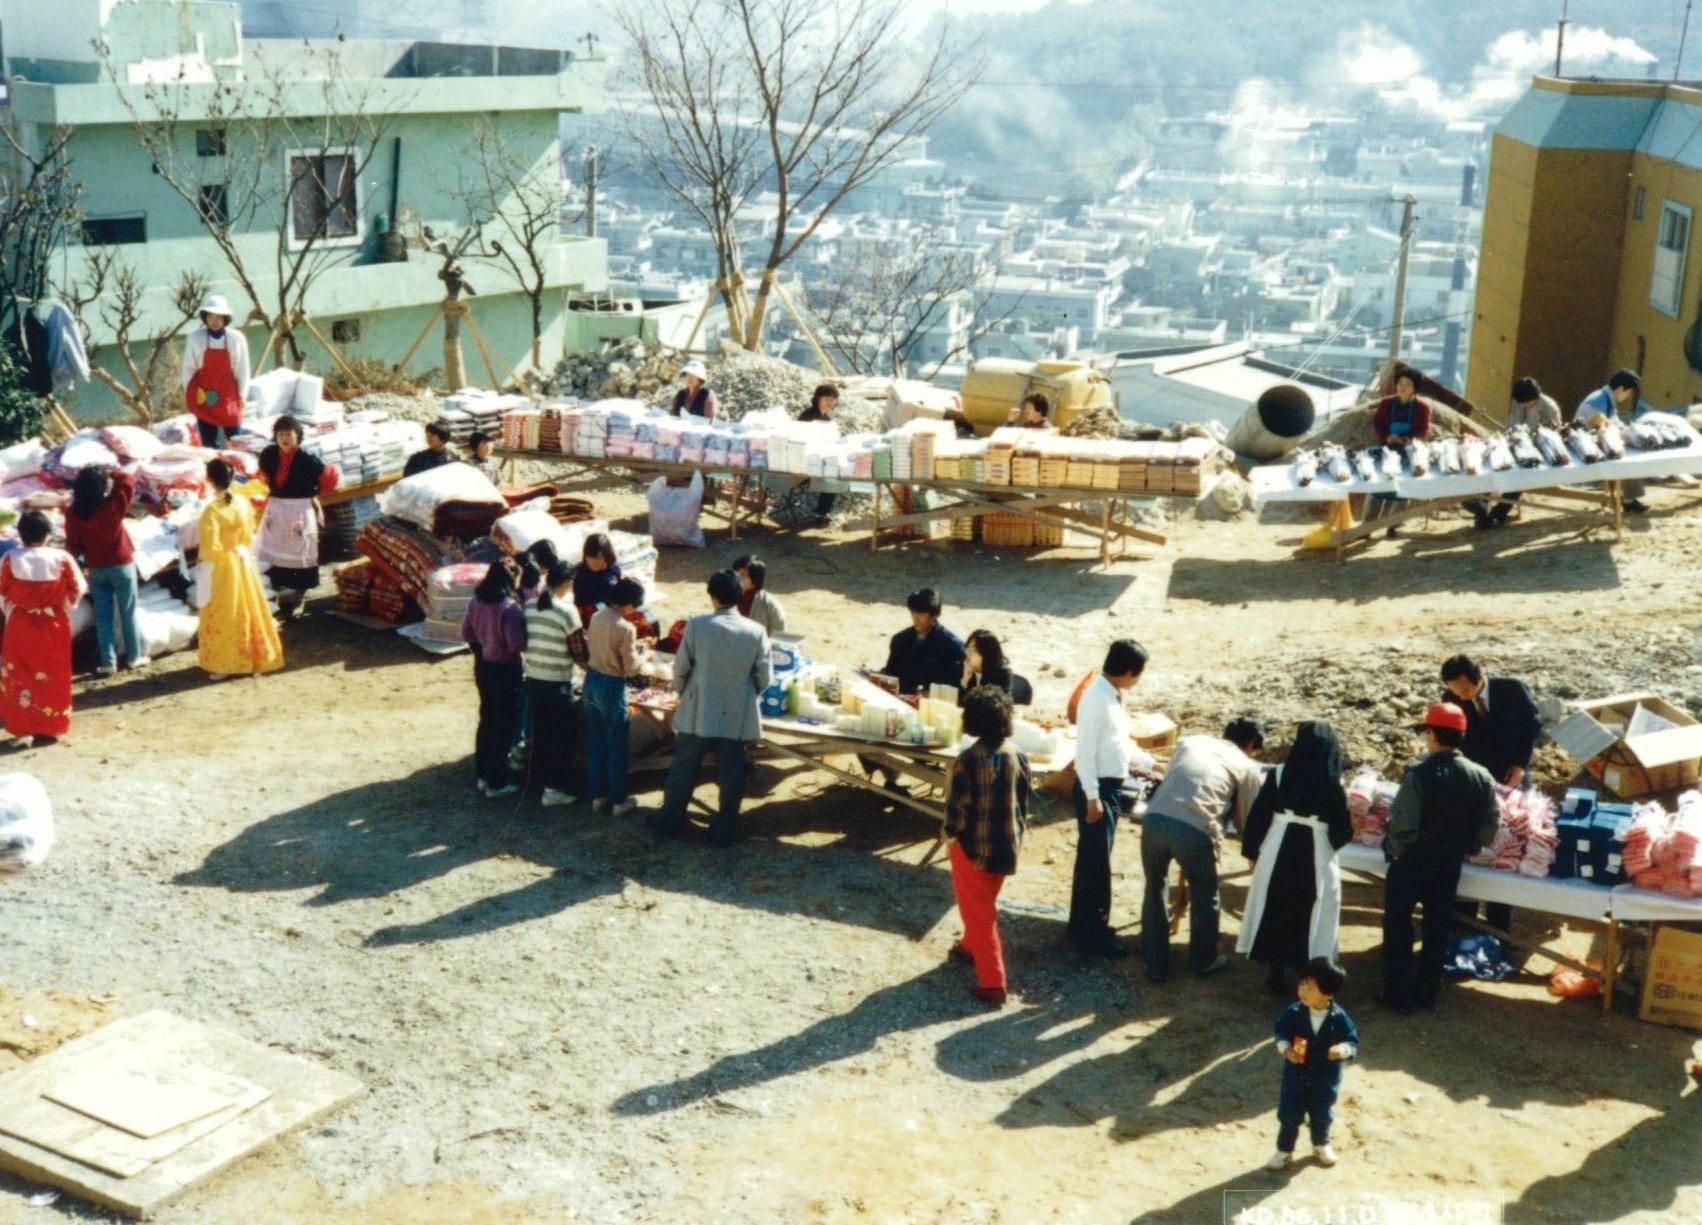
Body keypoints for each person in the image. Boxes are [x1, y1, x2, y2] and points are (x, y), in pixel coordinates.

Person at [1380, 702, 1500, 1013]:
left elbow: (1403, 826)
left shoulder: (1419, 774)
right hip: (1448, 863)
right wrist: (1470, 846)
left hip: (1411, 862)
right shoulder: (1482, 776)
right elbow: (1491, 823)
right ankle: (1427, 993)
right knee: (1437, 929)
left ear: (1432, 735)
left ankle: (1398, 993)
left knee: (1398, 926)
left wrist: (1396, 851)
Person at [648, 569, 772, 847]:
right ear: (739, 597)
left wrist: (684, 692)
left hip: (699, 707)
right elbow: (765, 677)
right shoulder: (756, 631)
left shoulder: (698, 626)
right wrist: (745, 695)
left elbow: (680, 668)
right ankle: (724, 829)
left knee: (684, 766)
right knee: (731, 774)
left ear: (713, 597)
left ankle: (671, 820)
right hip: (736, 712)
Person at [1139, 717, 1266, 982]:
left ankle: (1155, 964)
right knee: (1205, 892)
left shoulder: (1190, 742)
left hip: (1154, 820)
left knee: (1154, 887)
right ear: (1251, 744)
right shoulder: (1247, 767)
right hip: (1194, 830)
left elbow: (1171, 779)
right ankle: (1203, 960)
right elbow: (1247, 820)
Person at [1238, 721, 1352, 994]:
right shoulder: (1334, 784)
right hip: (1315, 852)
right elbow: (1342, 830)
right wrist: (1328, 844)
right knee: (1308, 909)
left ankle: (1276, 972)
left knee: (1275, 905)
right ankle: (1306, 971)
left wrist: (1252, 852)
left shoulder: (1278, 775)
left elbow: (1259, 815)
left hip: (1278, 846)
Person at [944, 685, 1031, 1008]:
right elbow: (1023, 801)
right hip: (1006, 846)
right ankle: (970, 946)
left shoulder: (968, 759)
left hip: (973, 848)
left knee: (979, 914)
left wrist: (950, 835)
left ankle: (993, 983)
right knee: (982, 904)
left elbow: (957, 809)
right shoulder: (1017, 753)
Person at [1441, 653, 1541, 931]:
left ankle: (1500, 925)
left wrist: (1520, 764)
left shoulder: (1511, 689)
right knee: (1473, 849)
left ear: (1478, 677)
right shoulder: (1451, 700)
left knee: (1507, 848)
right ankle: (1465, 922)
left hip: (1512, 778)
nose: (1461, 694)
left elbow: (1532, 724)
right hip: (1475, 783)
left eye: (1464, 688)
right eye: (1454, 690)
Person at [1068, 638, 1148, 958]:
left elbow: (1119, 744)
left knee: (1093, 857)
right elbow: (1084, 752)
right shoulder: (1096, 700)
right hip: (1099, 789)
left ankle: (1081, 924)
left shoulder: (1111, 697)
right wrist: (1092, 796)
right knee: (1097, 864)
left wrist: (1148, 763)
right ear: (1127, 672)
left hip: (1110, 786)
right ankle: (1093, 936)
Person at [0, 511, 86, 747]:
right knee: (54, 673)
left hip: (20, 624)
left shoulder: (9, 558)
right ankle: (52, 727)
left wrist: (13, 608)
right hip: (53, 624)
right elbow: (77, 589)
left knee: (19, 674)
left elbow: (2, 590)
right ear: (48, 533)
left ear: (20, 533)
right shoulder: (62, 557)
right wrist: (61, 607)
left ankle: (22, 730)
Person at [1264, 956, 1359, 1172]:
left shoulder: (1339, 1018)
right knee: (1289, 1113)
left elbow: (1352, 1041)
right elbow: (1280, 1031)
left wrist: (1342, 1050)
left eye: (1311, 988)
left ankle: (1321, 1144)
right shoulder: (1294, 1012)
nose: (1303, 992)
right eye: (1302, 985)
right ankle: (1284, 1150)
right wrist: (1286, 1049)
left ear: (1329, 993)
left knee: (1321, 1112)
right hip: (1296, 1074)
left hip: (1325, 1077)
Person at [197, 459, 284, 679]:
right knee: (248, 608)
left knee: (225, 612)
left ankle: (225, 663)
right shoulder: (243, 502)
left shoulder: (212, 510)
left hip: (223, 565)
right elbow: (249, 532)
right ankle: (254, 657)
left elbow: (211, 545)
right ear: (233, 477)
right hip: (242, 560)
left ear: (209, 480)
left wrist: (204, 562)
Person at [65, 466, 147, 676]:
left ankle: (108, 663)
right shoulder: (112, 506)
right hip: (122, 565)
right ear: (101, 488)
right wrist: (111, 472)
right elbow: (127, 481)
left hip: (97, 569)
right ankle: (134, 657)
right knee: (128, 613)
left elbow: (73, 545)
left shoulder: (74, 514)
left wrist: (73, 565)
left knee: (103, 618)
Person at [255, 415, 334, 620]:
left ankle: (299, 599)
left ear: (297, 436)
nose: (284, 439)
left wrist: (316, 494)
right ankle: (274, 598)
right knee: (273, 551)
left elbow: (329, 478)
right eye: (280, 434)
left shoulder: (308, 458)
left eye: (289, 434)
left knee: (301, 552)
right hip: (276, 508)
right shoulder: (269, 454)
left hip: (300, 508)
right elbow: (261, 476)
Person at [460, 560, 526, 799]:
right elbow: (516, 644)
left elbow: (465, 633)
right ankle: (497, 782)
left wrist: (483, 645)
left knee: (487, 719)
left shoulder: (476, 601)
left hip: (482, 666)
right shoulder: (510, 608)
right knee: (504, 725)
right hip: (506, 670)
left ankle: (483, 775)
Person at [523, 560, 583, 808]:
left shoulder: (528, 607)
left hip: (534, 678)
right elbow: (579, 652)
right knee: (562, 737)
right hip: (557, 682)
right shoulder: (567, 612)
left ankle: (537, 781)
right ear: (568, 583)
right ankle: (555, 788)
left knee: (541, 733)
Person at [584, 577, 645, 815]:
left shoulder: (597, 616)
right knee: (617, 744)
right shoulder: (625, 628)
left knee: (596, 741)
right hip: (611, 685)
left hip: (592, 680)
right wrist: (642, 657)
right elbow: (630, 667)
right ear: (629, 602)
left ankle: (598, 796)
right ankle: (619, 800)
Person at [1469, 377, 1563, 528]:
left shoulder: (1550, 408)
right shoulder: (1518, 402)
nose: (1524, 405)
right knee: (1494, 465)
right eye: (1522, 403)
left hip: (1537, 449)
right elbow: (1511, 425)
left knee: (1521, 474)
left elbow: (1553, 436)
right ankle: (1481, 505)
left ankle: (1499, 512)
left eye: (1528, 403)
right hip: (1516, 442)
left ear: (1536, 398)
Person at [1576, 367, 1651, 514]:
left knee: (1632, 450)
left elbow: (1614, 422)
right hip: (1587, 446)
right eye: (1629, 392)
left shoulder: (1606, 398)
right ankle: (1629, 500)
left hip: (1599, 440)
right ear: (1621, 388)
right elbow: (1601, 428)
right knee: (1628, 457)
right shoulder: (1596, 401)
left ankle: (1629, 499)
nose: (1629, 396)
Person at [1368, 368, 1432, 536]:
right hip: (1387, 448)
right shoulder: (1387, 403)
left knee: (1403, 487)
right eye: (1400, 383)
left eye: (1408, 384)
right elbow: (1377, 425)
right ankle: (1367, 525)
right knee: (1377, 485)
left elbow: (1423, 431)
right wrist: (1387, 437)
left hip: (1408, 452)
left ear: (1415, 388)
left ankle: (1393, 525)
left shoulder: (1422, 407)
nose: (1402, 387)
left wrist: (1406, 440)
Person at [180, 294, 250, 448]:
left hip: (228, 394)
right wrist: (189, 393)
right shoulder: (194, 338)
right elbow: (188, 367)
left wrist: (242, 394)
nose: (214, 321)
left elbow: (243, 368)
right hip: (204, 394)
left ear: (226, 318)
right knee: (209, 442)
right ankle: (215, 468)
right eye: (210, 316)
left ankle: (238, 467)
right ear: (205, 317)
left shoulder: (236, 338)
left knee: (235, 439)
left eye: (219, 316)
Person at [880, 588, 966, 696]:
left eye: (921, 615)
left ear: (934, 615)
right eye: (912, 613)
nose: (915, 619)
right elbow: (891, 672)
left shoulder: (953, 647)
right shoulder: (900, 640)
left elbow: (957, 684)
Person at [797, 384, 840, 515]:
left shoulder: (827, 419)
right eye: (826, 399)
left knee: (835, 474)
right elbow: (800, 440)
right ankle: (821, 515)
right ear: (818, 399)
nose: (830, 403)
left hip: (818, 460)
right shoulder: (808, 416)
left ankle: (822, 513)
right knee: (831, 478)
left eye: (833, 400)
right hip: (803, 462)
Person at [572, 533, 623, 627]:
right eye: (590, 558)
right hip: (588, 620)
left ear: (607, 556)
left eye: (598, 558)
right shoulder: (578, 572)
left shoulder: (614, 570)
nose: (593, 562)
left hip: (611, 617)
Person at [732, 555, 787, 637]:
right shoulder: (727, 600)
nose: (737, 578)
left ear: (755, 580)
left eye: (743, 575)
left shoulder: (770, 606)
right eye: (735, 574)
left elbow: (779, 638)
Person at [959, 629, 1013, 700]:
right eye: (968, 647)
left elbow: (1001, 704)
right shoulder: (963, 664)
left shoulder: (1001, 673)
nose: (968, 653)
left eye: (974, 651)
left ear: (986, 654)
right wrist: (964, 682)